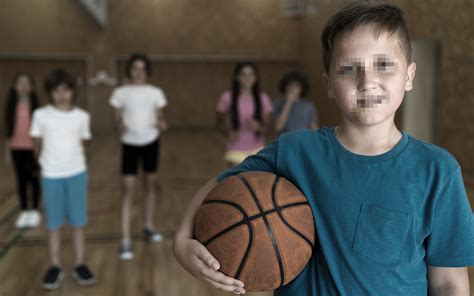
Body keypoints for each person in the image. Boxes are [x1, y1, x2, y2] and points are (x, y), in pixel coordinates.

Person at [173, 2, 473, 295]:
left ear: (408, 76)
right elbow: (221, 184)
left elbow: (448, 282)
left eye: (383, 65)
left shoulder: (437, 171)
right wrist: (182, 240)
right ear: (328, 83)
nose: (367, 81)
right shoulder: (295, 151)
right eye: (348, 69)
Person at [31, 69, 96, 289]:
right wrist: (45, 163)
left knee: (78, 223)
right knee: (54, 224)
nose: (61, 94)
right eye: (56, 90)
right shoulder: (40, 115)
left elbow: (85, 142)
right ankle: (55, 265)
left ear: (72, 91)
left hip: (76, 174)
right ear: (50, 93)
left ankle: (79, 263)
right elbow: (36, 144)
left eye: (65, 90)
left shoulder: (82, 117)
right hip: (51, 175)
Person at [109, 53, 168, 261]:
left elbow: (160, 117)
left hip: (151, 142)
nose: (139, 72)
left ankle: (148, 226)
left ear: (147, 71)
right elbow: (116, 121)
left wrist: (162, 124)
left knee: (150, 186)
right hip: (129, 145)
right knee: (128, 190)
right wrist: (119, 125)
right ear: (129, 70)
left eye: (142, 68)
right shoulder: (121, 93)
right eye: (135, 68)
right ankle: (125, 240)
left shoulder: (155, 92)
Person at [216, 62, 273, 167]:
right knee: (237, 181)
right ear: (236, 77)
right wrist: (228, 132)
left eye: (251, 74)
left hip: (257, 149)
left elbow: (268, 126)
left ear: (256, 78)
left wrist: (259, 127)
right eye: (243, 74)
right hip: (236, 148)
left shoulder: (263, 98)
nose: (247, 78)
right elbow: (219, 122)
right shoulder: (227, 97)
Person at [3, 73, 41, 228]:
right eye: (20, 83)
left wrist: (39, 150)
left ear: (31, 87)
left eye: (27, 83)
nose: (23, 86)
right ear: (14, 86)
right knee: (21, 180)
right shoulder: (11, 107)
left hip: (32, 149)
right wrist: (7, 152)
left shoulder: (36, 109)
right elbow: (8, 132)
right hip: (16, 148)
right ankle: (24, 211)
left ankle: (34, 211)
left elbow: (40, 132)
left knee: (34, 180)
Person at [274, 71, 319, 135]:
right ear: (285, 87)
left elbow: (313, 128)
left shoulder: (308, 106)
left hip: (302, 142)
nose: (292, 88)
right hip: (284, 142)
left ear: (302, 88)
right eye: (290, 85)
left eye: (296, 86)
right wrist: (288, 102)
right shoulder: (278, 104)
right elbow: (278, 127)